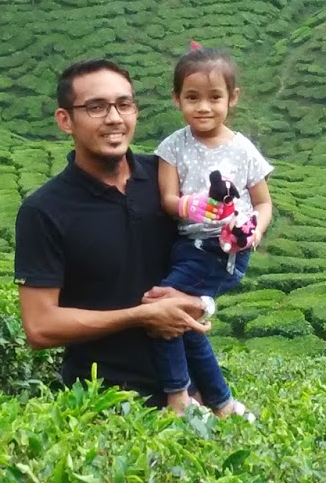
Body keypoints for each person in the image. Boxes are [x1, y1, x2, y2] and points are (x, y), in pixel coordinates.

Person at [14, 58, 212, 403]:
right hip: (103, 403)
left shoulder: (167, 180)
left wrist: (202, 304)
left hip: (195, 394)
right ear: (65, 120)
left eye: (124, 104)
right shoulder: (44, 211)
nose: (114, 118)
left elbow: (211, 257)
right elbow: (40, 327)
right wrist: (141, 316)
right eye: (96, 107)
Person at [152, 44, 273, 418]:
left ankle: (178, 398)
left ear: (232, 98)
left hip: (222, 251)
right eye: (192, 97)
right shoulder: (172, 147)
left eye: (214, 97)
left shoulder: (243, 150)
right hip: (187, 245)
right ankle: (221, 403)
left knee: (164, 307)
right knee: (187, 324)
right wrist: (190, 206)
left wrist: (254, 230)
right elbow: (168, 199)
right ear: (177, 99)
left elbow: (264, 203)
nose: (203, 107)